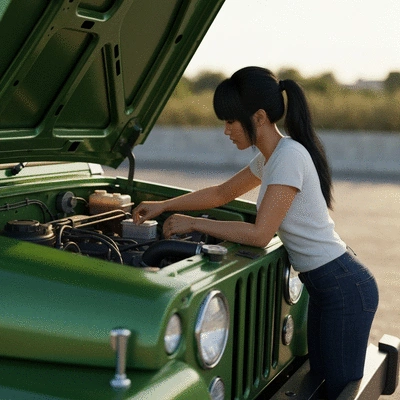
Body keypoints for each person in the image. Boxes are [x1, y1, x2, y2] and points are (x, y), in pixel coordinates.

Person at [132, 66, 379, 399]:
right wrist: (164, 205)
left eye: (231, 121)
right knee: (319, 381)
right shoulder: (272, 157)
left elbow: (261, 233)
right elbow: (221, 193)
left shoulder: (288, 157)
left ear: (259, 117)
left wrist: (194, 223)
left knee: (338, 390)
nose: (226, 130)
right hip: (328, 285)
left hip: (343, 287)